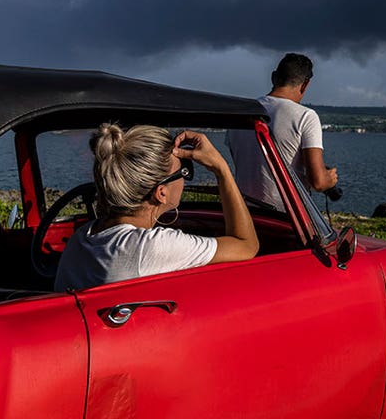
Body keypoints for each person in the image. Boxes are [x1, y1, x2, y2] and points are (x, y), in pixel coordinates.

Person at [54, 124, 259, 291]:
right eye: (184, 172)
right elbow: (246, 245)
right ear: (161, 193)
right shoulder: (150, 247)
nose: (185, 179)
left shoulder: (80, 239)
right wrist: (221, 168)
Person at [228, 53, 337, 211]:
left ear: (273, 78)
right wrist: (330, 180)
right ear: (305, 84)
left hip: (244, 213)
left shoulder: (241, 113)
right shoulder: (306, 116)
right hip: (287, 218)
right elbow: (318, 182)